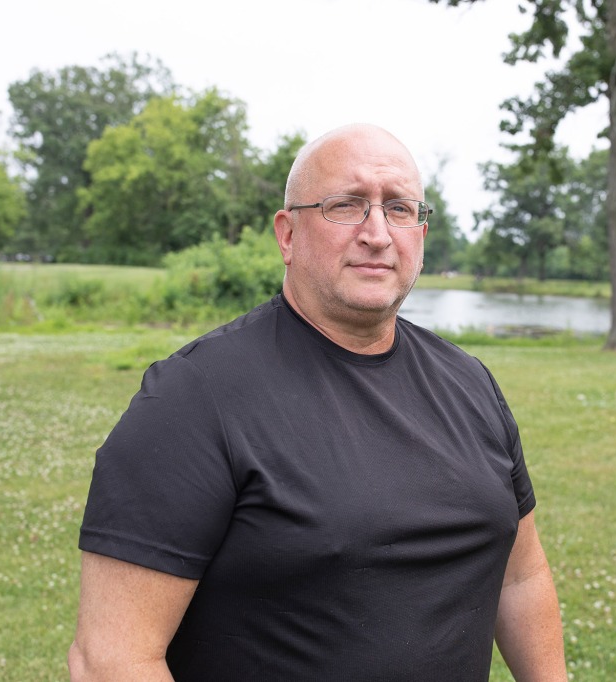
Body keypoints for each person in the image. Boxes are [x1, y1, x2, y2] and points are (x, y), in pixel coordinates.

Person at [68, 123, 567, 681]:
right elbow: (110, 658)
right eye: (346, 206)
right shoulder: (192, 401)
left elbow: (518, 577)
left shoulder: (470, 384)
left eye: (399, 208)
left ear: (421, 233)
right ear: (287, 234)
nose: (377, 233)